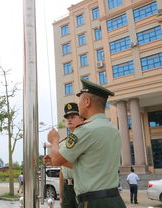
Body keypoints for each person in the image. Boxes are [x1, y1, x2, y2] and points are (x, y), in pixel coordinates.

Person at [44, 78, 126, 208]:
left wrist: (54, 140)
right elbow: (90, 165)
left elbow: (57, 159)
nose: (78, 104)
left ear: (87, 102)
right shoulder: (113, 129)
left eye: (79, 100)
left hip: (93, 202)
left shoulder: (85, 130)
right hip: (115, 200)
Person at [59, 103, 84, 208]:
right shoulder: (63, 144)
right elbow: (61, 172)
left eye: (73, 117)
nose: (69, 120)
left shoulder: (85, 139)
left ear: (82, 119)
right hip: (67, 188)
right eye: (67, 118)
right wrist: (61, 195)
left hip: (82, 186)